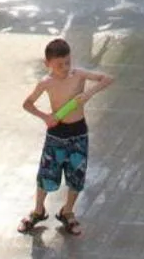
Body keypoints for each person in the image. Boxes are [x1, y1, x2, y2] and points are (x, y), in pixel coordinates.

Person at [20, 37, 112, 236]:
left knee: (76, 174)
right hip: (56, 133)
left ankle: (68, 211)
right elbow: (27, 104)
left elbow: (107, 79)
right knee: (46, 174)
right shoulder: (46, 83)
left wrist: (89, 93)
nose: (65, 68)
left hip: (78, 132)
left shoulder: (78, 75)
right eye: (59, 64)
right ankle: (38, 210)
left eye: (68, 62)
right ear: (48, 64)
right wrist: (45, 117)